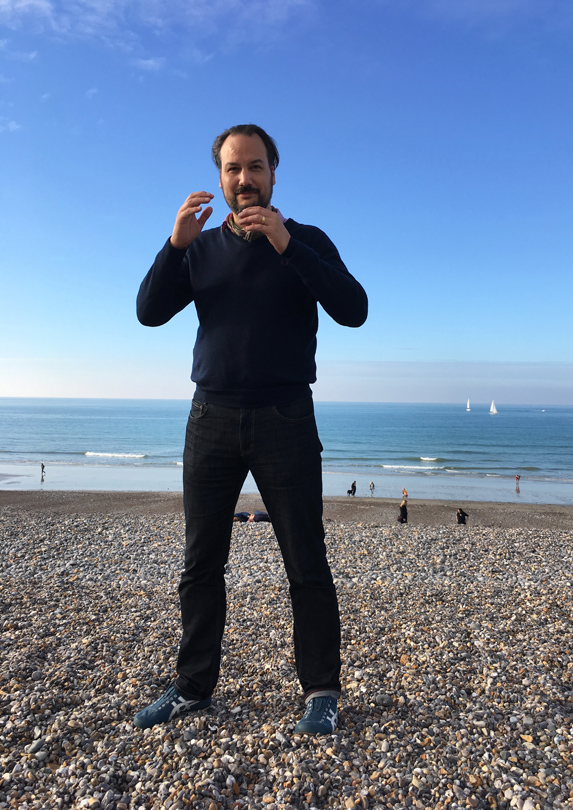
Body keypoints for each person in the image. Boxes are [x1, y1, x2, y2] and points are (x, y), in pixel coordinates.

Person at [134, 124, 368, 736]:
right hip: (210, 418)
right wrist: (174, 246)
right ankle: (192, 687)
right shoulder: (200, 247)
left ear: (273, 173)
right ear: (220, 177)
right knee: (200, 564)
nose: (244, 179)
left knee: (306, 562)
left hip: (286, 418)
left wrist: (287, 245)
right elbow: (148, 312)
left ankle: (321, 691)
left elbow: (354, 310)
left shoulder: (307, 240)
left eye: (255, 167)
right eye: (233, 168)